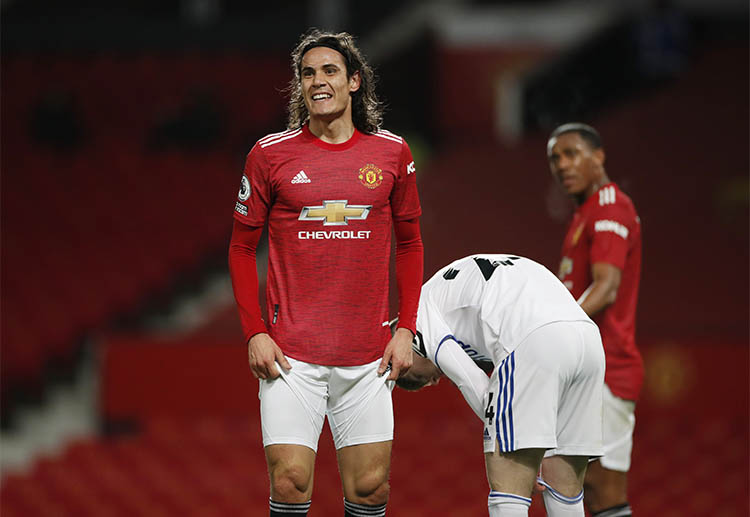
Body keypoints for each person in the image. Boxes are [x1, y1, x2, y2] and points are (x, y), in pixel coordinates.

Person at [228, 29, 423, 517]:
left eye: (329, 71)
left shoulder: (392, 153)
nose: (318, 81)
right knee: (290, 482)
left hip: (369, 357)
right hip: (291, 358)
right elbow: (240, 247)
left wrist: (406, 329)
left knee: (371, 488)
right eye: (308, 73)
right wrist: (255, 332)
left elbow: (410, 244)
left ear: (354, 81)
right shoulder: (269, 154)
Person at [397, 253, 606, 517]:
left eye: (419, 379)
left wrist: (516, 438)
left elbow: (469, 379)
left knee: (509, 486)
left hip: (532, 337)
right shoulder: (444, 290)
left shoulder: (418, 318)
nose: (435, 380)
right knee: (564, 486)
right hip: (587, 338)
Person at [547, 123, 643, 517]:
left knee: (604, 490)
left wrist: (548, 332)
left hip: (608, 367)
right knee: (578, 484)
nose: (562, 165)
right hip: (587, 367)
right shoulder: (585, 212)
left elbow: (606, 288)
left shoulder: (610, 206)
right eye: (555, 158)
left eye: (572, 154)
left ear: (599, 156)